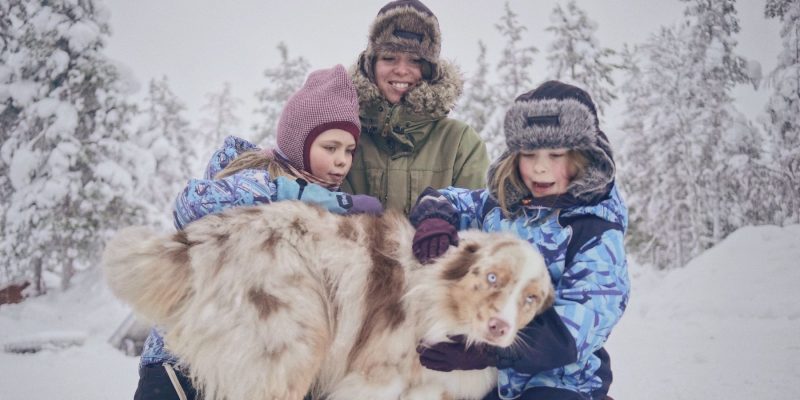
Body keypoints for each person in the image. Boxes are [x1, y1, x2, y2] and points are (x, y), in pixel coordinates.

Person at [133, 64, 382, 400]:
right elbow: (190, 205)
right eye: (330, 147)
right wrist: (299, 194)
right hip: (180, 363)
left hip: (243, 366)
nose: (342, 160)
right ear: (299, 143)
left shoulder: (331, 210)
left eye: (349, 150)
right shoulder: (255, 176)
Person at [409, 81, 630, 400]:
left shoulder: (594, 230)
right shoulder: (500, 205)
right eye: (529, 154)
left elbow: (577, 325)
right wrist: (435, 215)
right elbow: (454, 199)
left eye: (556, 154)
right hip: (494, 379)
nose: (540, 168)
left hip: (561, 381)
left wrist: (489, 352)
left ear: (582, 157)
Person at [343, 0, 490, 215]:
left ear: (430, 70)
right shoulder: (345, 134)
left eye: (415, 60)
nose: (402, 70)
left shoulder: (460, 142)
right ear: (371, 64)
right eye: (389, 58)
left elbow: (477, 219)